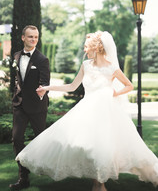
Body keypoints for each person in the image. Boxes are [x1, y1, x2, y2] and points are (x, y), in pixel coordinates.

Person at [16, 31, 158, 191]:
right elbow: (71, 86)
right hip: (86, 112)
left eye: (86, 46)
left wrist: (113, 93)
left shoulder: (112, 68)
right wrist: (47, 88)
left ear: (96, 48)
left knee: (102, 146)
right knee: (90, 147)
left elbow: (129, 85)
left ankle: (99, 183)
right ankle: (98, 182)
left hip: (105, 112)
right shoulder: (86, 66)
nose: (84, 50)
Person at [9, 25, 50, 191]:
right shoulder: (17, 55)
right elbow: (18, 79)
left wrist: (41, 92)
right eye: (30, 37)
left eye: (36, 37)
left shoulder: (42, 59)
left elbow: (45, 82)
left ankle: (46, 167)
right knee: (17, 139)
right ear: (23, 38)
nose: (33, 40)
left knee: (41, 140)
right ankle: (23, 177)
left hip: (37, 106)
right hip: (19, 105)